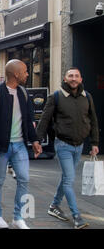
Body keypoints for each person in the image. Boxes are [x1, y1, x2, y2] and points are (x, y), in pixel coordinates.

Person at [36, 67, 100, 229]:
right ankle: (76, 215)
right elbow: (44, 119)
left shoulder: (87, 97)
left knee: (66, 178)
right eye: (70, 76)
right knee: (70, 180)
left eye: (76, 76)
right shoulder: (56, 97)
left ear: (81, 79)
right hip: (63, 145)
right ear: (65, 79)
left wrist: (95, 143)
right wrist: (37, 141)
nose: (73, 78)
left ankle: (54, 206)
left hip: (80, 146)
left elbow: (93, 120)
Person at [0, 59, 42, 229]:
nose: (27, 74)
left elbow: (29, 120)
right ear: (16, 74)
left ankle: (18, 217)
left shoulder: (24, 93)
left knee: (24, 178)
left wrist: (35, 140)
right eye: (25, 71)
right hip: (0, 147)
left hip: (20, 145)